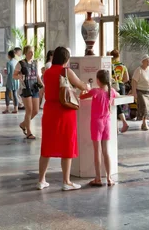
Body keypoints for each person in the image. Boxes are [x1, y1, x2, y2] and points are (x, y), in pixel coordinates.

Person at [38, 46, 89, 191]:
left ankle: (41, 180)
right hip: (64, 110)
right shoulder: (66, 71)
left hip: (49, 110)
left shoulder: (47, 73)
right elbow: (81, 85)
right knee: (67, 144)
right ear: (66, 59)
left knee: (46, 145)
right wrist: (88, 85)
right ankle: (66, 181)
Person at [80, 69, 117, 187]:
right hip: (107, 123)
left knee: (97, 151)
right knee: (106, 151)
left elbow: (82, 97)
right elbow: (118, 95)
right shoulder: (112, 91)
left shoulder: (95, 91)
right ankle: (109, 177)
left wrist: (85, 88)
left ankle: (97, 178)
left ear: (98, 80)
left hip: (97, 123)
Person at [14, 45, 44, 139]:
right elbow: (14, 75)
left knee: (35, 110)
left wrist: (42, 84)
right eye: (30, 52)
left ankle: (23, 124)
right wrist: (20, 77)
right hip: (25, 88)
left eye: (32, 52)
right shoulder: (21, 63)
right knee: (29, 110)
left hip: (34, 87)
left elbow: (37, 75)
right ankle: (29, 132)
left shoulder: (35, 63)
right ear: (25, 53)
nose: (32, 54)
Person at [131, 54, 149, 131]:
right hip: (140, 91)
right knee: (144, 107)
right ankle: (144, 123)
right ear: (143, 61)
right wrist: (134, 92)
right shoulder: (139, 70)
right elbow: (134, 81)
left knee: (147, 107)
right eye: (147, 60)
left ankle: (143, 122)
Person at [110, 50, 129, 133]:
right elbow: (127, 78)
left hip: (113, 86)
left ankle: (122, 124)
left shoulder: (110, 65)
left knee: (115, 107)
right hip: (121, 86)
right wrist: (120, 82)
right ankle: (117, 128)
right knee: (118, 106)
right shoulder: (123, 66)